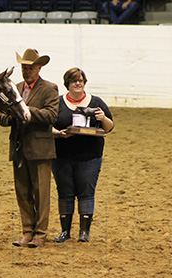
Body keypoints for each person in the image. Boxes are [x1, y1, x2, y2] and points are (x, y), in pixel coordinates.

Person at [0, 48, 59, 248]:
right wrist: (9, 115)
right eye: (24, 68)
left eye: (31, 68)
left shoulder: (49, 88)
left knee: (41, 194)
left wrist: (27, 111)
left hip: (40, 148)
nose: (27, 71)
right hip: (19, 147)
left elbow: (51, 115)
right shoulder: (15, 87)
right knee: (22, 192)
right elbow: (2, 115)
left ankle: (40, 234)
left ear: (39, 68)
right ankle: (27, 232)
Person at [52, 67, 114, 243]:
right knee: (64, 192)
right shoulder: (57, 103)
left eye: (80, 80)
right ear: (67, 84)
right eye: (74, 81)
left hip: (90, 157)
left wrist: (102, 118)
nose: (78, 83)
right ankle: (65, 231)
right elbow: (47, 125)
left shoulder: (96, 102)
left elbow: (109, 128)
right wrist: (57, 133)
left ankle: (84, 232)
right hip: (61, 156)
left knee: (86, 192)